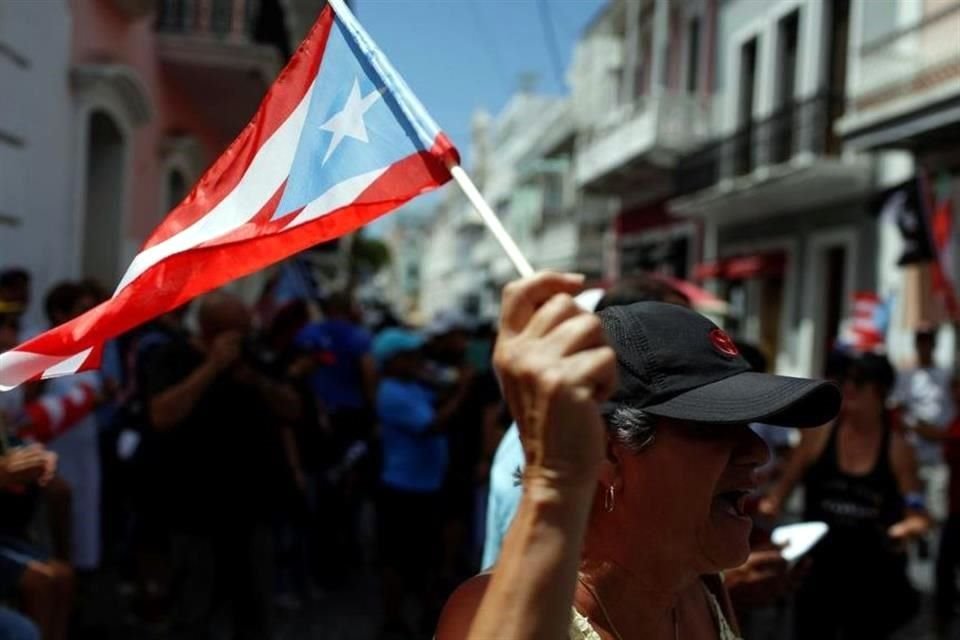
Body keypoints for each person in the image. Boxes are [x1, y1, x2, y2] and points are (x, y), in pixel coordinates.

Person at [437, 272, 841, 640]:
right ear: (610, 453)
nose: (758, 451)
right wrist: (555, 477)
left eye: (750, 425)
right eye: (713, 427)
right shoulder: (484, 616)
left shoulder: (700, 581)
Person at [143, 291, 300, 640]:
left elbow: (292, 408)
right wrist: (211, 367)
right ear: (213, 331)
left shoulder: (253, 358)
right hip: (195, 509)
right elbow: (162, 415)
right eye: (237, 331)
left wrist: (255, 380)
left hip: (252, 508)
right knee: (193, 610)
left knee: (255, 610)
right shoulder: (173, 356)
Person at [761, 352, 929, 639]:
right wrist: (770, 506)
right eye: (845, 380)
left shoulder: (898, 449)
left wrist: (908, 528)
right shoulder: (818, 436)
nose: (848, 388)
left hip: (871, 577)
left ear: (881, 392)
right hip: (817, 571)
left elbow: (917, 512)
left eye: (859, 382)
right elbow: (783, 488)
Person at [373, 327, 472, 638]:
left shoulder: (411, 385)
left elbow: (438, 395)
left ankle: (426, 613)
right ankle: (393, 621)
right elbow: (432, 424)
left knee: (426, 553)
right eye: (408, 356)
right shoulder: (391, 392)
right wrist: (462, 390)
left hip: (425, 485)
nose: (416, 360)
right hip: (403, 489)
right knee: (396, 558)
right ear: (391, 361)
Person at [894, 325, 955, 521]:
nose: (924, 346)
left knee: (936, 513)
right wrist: (919, 428)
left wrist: (935, 433)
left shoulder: (946, 376)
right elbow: (898, 411)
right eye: (921, 341)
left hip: (937, 456)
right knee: (911, 510)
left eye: (928, 341)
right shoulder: (906, 376)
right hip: (912, 456)